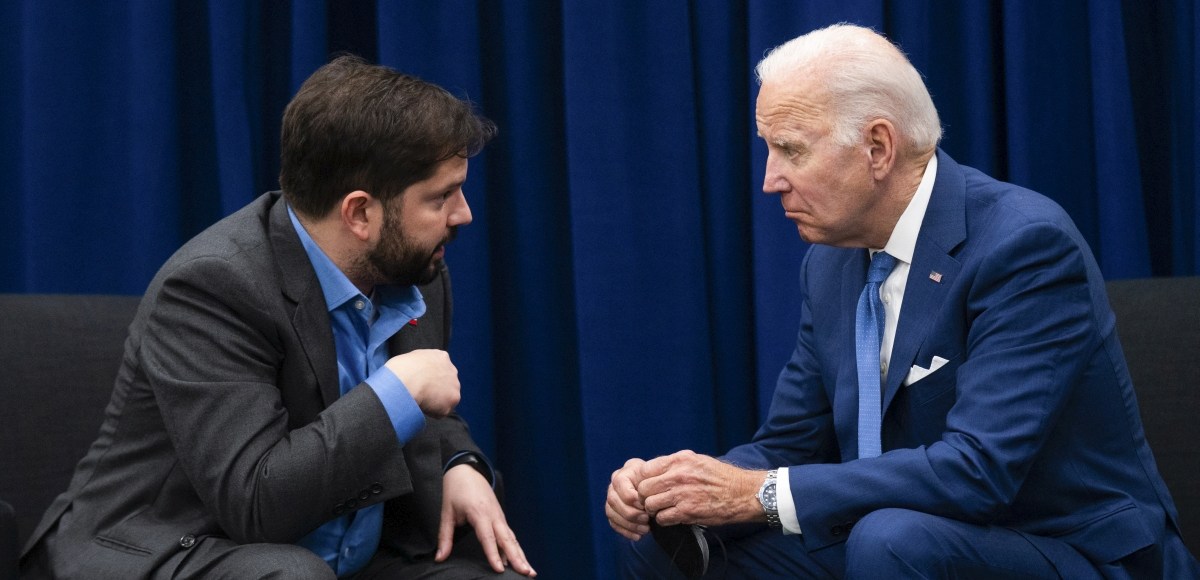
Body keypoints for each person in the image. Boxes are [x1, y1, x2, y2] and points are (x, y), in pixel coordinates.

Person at [606, 24, 1199, 579]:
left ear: (878, 148)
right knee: (666, 545)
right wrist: (676, 489)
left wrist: (756, 493)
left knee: (888, 539)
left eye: (791, 150)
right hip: (900, 539)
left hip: (1065, 547)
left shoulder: (1023, 245)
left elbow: (978, 470)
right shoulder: (830, 263)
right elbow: (788, 445)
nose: (769, 180)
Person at [21, 55, 535, 579]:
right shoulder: (213, 286)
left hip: (343, 556)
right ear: (360, 212)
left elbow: (428, 405)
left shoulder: (414, 267)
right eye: (441, 196)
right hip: (180, 546)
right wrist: (396, 393)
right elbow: (255, 503)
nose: (464, 213)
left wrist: (458, 462)